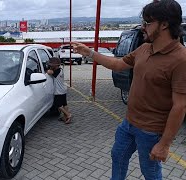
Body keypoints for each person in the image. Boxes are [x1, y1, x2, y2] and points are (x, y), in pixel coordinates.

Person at [72, 0, 186, 179]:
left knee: (150, 172)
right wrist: (89, 53)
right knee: (117, 156)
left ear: (164, 24)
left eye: (147, 23)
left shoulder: (181, 59)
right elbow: (118, 65)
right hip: (129, 123)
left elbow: (180, 106)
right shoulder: (145, 48)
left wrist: (164, 144)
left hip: (151, 131)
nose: (143, 27)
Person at [46, 57, 72, 124]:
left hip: (59, 91)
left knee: (57, 105)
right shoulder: (60, 69)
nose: (50, 66)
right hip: (63, 89)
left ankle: (68, 115)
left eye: (51, 65)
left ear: (55, 66)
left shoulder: (56, 72)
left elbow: (48, 72)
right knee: (64, 104)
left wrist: (49, 68)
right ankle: (65, 117)